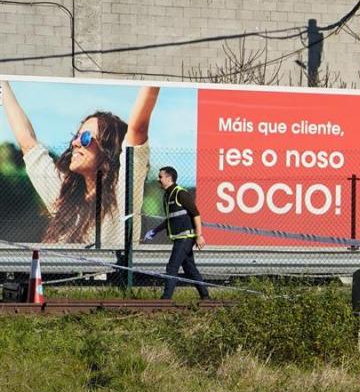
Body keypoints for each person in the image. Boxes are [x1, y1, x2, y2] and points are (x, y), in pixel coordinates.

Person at [0, 81, 156, 246]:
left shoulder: (123, 194)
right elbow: (27, 142)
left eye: (86, 138)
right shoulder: (65, 196)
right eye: (76, 136)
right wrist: (4, 82)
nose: (75, 143)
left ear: (108, 150)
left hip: (111, 272)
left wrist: (153, 75)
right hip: (67, 272)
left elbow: (137, 130)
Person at [146, 166, 209, 301]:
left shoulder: (181, 193)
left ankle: (166, 298)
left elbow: (196, 214)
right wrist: (155, 231)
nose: (158, 179)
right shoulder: (167, 196)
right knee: (190, 269)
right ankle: (205, 296)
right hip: (179, 238)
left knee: (172, 266)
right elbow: (170, 219)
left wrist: (199, 235)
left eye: (161, 177)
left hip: (186, 237)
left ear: (169, 178)